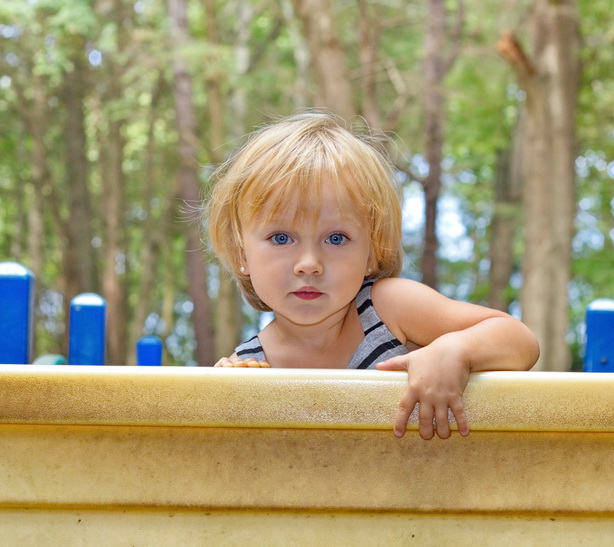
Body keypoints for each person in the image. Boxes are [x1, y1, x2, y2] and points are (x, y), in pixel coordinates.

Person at [205, 110, 539, 440]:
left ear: (372, 250)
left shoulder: (389, 309)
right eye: (281, 238)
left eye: (336, 238)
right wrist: (229, 402)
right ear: (240, 253)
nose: (309, 263)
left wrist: (456, 350)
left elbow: (519, 341)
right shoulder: (248, 367)